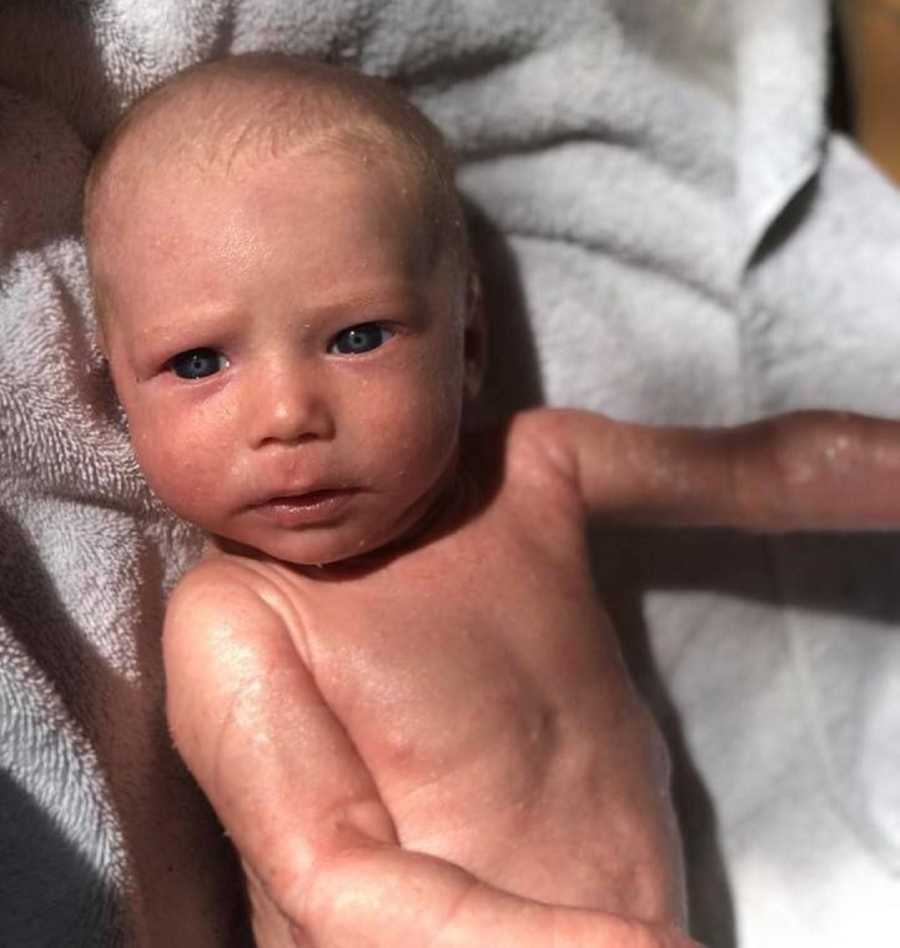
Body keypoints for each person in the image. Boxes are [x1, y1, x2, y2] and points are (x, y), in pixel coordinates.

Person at [83, 52, 900, 948]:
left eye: (358, 338)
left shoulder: (535, 472)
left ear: (468, 341)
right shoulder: (239, 619)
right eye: (198, 362)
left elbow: (764, 471)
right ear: (118, 390)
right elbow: (328, 875)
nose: (288, 415)